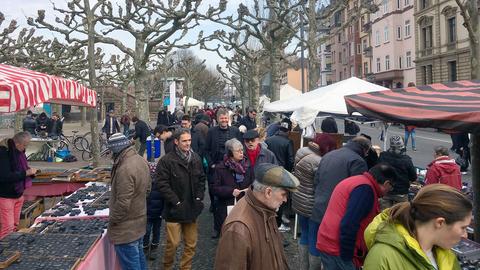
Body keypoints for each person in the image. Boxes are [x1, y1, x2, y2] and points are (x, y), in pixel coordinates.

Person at [363, 184, 472, 270]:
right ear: (440, 223)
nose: (465, 235)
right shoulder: (382, 257)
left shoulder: (445, 254)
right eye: (463, 228)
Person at [214, 163, 300, 270]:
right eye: (283, 194)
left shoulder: (266, 209)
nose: (285, 200)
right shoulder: (238, 228)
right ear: (268, 192)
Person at [316, 164, 397, 269]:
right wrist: (348, 257)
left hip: (328, 242)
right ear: (386, 183)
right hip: (338, 249)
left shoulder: (357, 181)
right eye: (391, 188)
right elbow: (349, 224)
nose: (388, 192)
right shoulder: (365, 190)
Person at [156, 128, 206, 270]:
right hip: (174, 209)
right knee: (173, 244)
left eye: (189, 140)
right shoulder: (166, 161)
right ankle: (167, 267)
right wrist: (175, 201)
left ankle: (186, 268)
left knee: (191, 244)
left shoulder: (195, 158)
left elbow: (202, 179)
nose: (188, 143)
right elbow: (162, 183)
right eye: (184, 141)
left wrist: (199, 197)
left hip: (191, 208)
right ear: (177, 142)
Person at [292, 133, 337, 270]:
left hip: (299, 199)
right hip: (312, 204)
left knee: (304, 233)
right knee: (314, 237)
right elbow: (320, 184)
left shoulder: (301, 151)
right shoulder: (319, 161)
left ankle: (302, 266)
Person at [107, 133, 150, 270]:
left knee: (132, 264)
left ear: (116, 150)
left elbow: (123, 204)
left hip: (126, 228)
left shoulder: (125, 168)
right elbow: (147, 189)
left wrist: (112, 220)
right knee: (139, 260)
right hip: (138, 221)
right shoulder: (139, 160)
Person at [311, 136, 370, 231]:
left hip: (319, 205)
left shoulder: (329, 154)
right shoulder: (358, 161)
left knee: (314, 240)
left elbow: (316, 180)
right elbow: (357, 192)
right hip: (338, 211)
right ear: (365, 149)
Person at [211, 138, 253, 238]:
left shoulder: (247, 166)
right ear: (230, 153)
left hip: (244, 205)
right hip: (226, 207)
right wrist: (230, 191)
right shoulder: (220, 168)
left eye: (242, 150)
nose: (241, 153)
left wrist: (250, 189)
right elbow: (214, 188)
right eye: (238, 151)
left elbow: (253, 182)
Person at [0, 132, 38, 239]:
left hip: (18, 194)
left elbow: (21, 169)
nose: (25, 148)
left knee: (14, 226)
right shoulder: (4, 153)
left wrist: (30, 172)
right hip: (6, 196)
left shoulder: (18, 153)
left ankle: (11, 249)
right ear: (17, 144)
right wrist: (26, 173)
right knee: (7, 228)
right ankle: (4, 253)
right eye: (25, 145)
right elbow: (5, 176)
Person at [205, 109, 242, 212]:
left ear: (228, 119)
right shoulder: (211, 131)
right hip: (216, 165)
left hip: (232, 167)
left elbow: (240, 147)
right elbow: (206, 150)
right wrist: (211, 164)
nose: (224, 120)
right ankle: (214, 205)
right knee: (214, 187)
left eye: (225, 118)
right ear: (217, 119)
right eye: (221, 118)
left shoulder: (235, 131)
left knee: (229, 188)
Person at [265, 118, 295, 231]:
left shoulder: (269, 140)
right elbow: (291, 160)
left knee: (270, 196)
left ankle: (271, 219)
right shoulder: (288, 142)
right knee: (280, 198)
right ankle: (279, 222)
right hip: (282, 174)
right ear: (289, 130)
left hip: (269, 172)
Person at [377, 135, 417, 209]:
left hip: (386, 190)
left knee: (384, 215)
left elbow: (378, 170)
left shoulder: (383, 156)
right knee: (400, 215)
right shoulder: (406, 160)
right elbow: (413, 177)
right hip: (401, 192)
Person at [143, 178, 164, 254]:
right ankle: (145, 247)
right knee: (147, 232)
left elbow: (165, 199)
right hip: (147, 214)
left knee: (156, 231)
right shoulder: (145, 185)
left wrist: (163, 212)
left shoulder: (162, 185)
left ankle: (154, 248)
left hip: (158, 214)